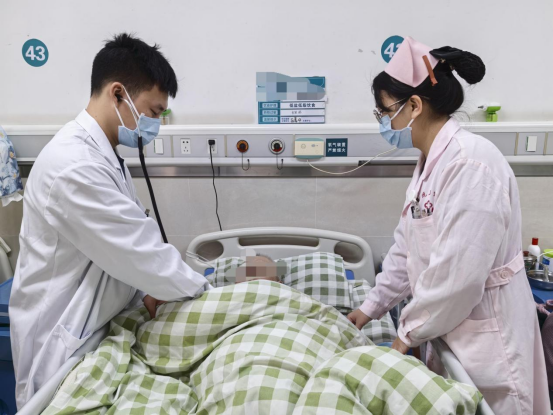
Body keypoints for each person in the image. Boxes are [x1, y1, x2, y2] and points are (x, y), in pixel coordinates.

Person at [347, 37, 549, 414]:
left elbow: (458, 277)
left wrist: (404, 337)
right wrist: (370, 308)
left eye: (384, 112)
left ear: (414, 106)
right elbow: (407, 249)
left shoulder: (471, 166)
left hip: (490, 338)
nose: (383, 123)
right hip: (450, 329)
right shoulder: (431, 163)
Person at [9, 33, 211, 410]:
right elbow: (139, 253)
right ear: (118, 93)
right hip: (65, 339)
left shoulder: (103, 155)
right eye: (153, 112)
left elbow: (132, 241)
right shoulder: (73, 166)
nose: (156, 125)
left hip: (100, 321)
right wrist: (208, 294)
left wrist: (154, 289)